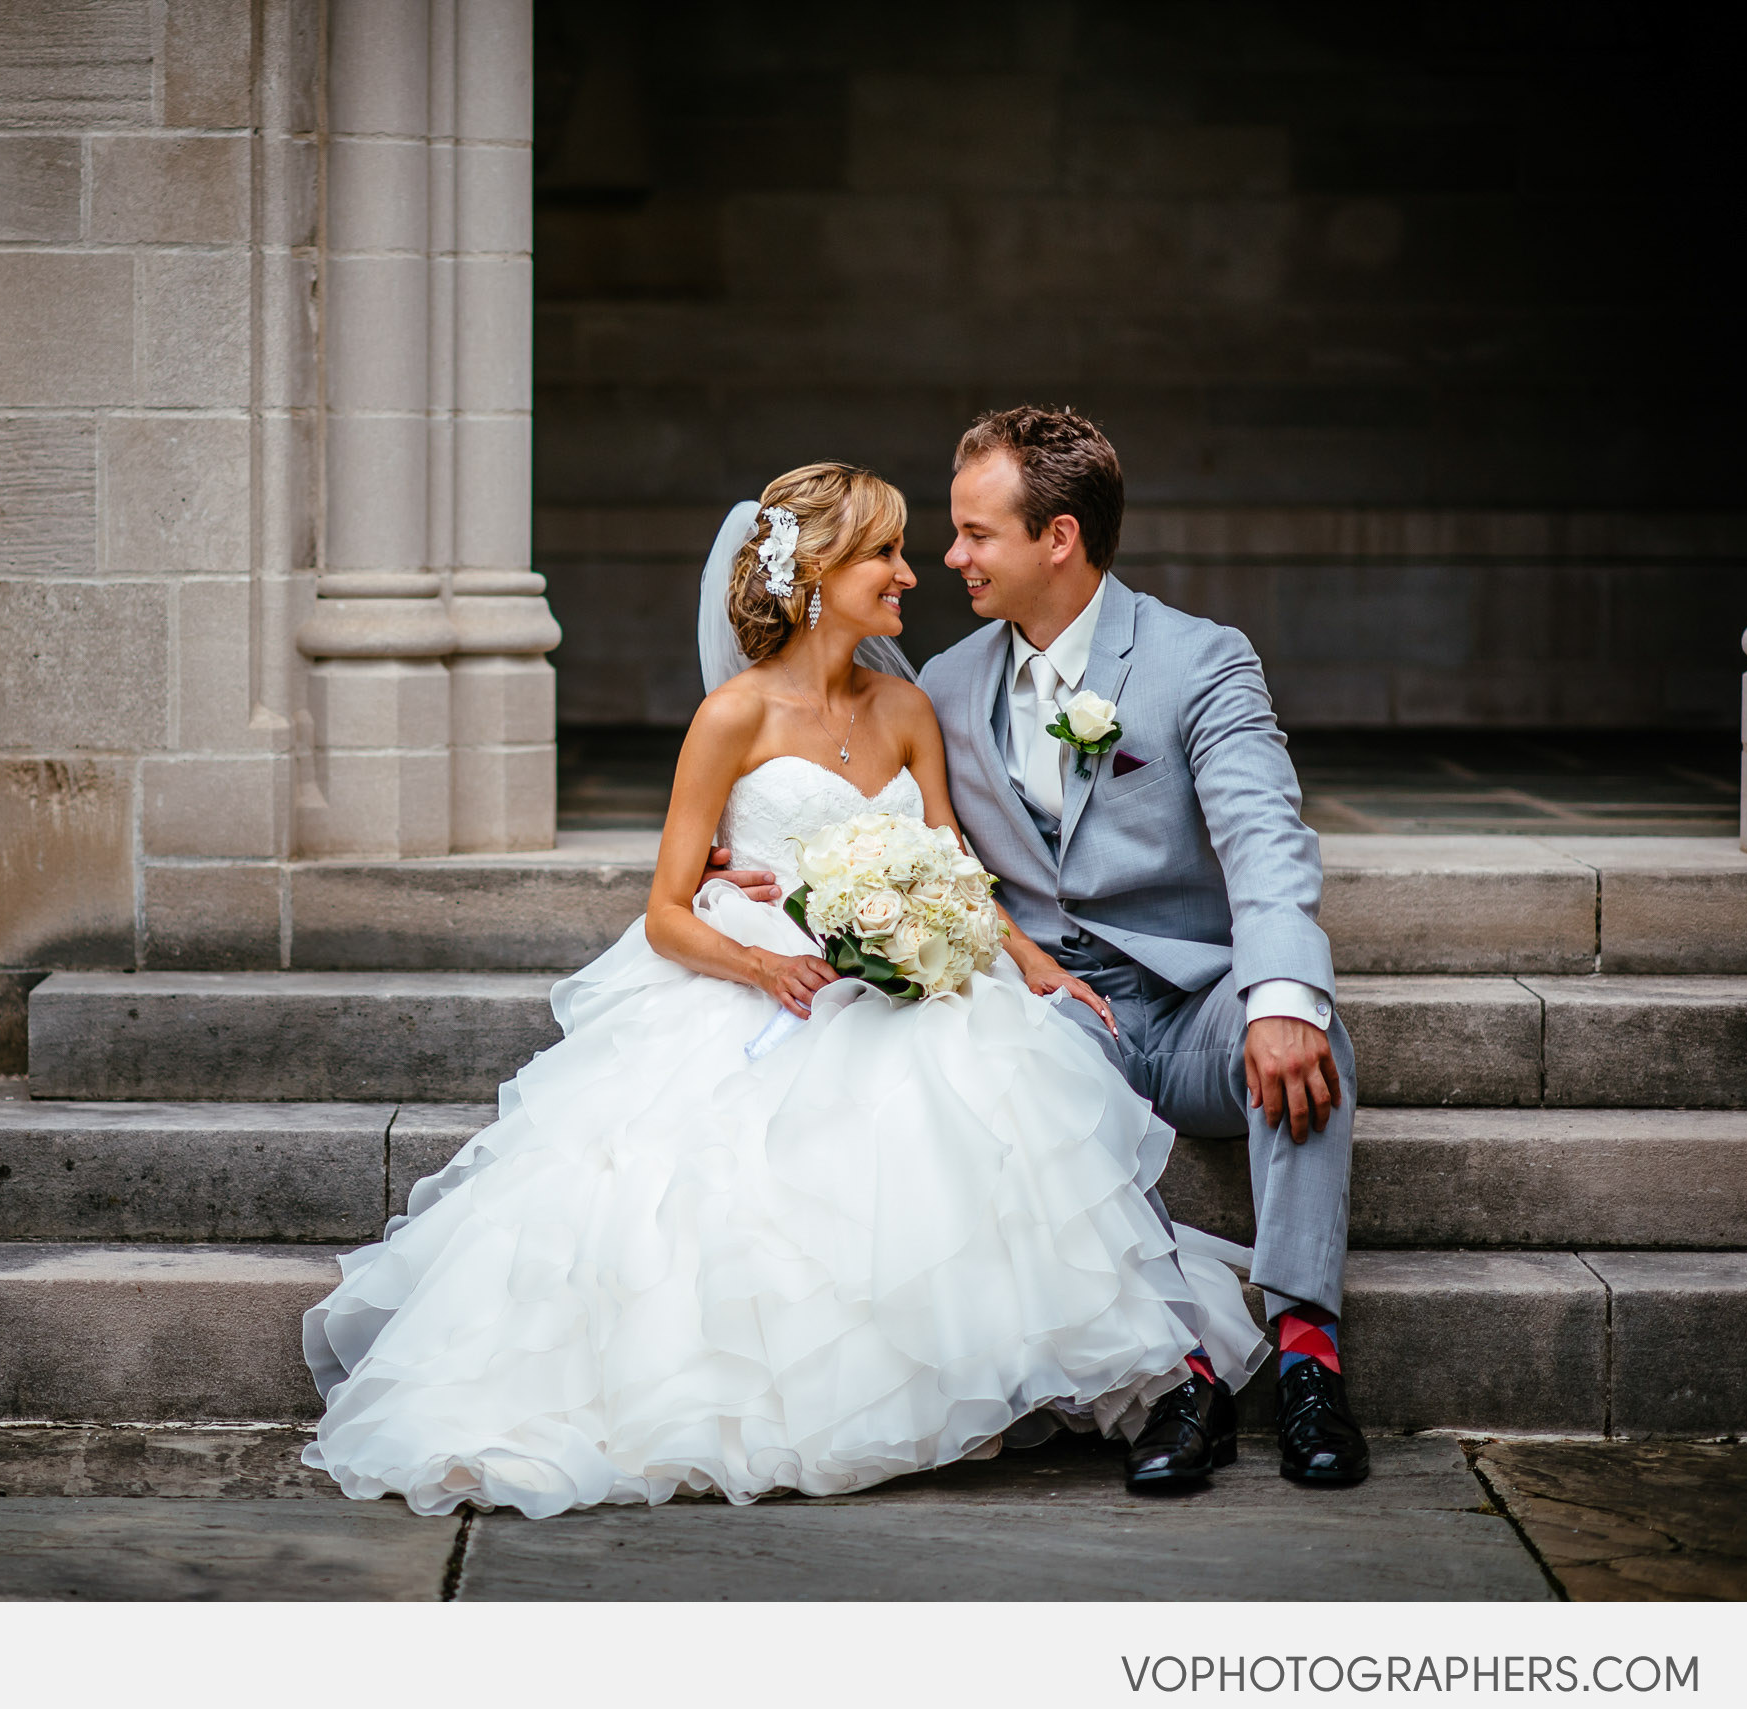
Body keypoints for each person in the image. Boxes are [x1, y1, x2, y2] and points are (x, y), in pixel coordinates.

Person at [301, 462, 1264, 1519]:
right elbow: (668, 909)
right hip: (766, 978)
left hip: (903, 975)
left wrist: (1029, 964)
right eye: (885, 554)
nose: (911, 573)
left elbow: (949, 863)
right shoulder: (732, 717)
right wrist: (765, 963)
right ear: (814, 573)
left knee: (989, 1084)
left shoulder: (904, 707)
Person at [713, 410, 1369, 1489]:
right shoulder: (949, 683)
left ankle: (1307, 1359)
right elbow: (888, 834)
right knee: (1024, 1062)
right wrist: (733, 870)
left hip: (1196, 1000)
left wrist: (1283, 995)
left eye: (975, 534)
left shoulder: (1200, 659)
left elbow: (1266, 840)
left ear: (1056, 538)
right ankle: (1178, 1371)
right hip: (1054, 1003)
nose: (950, 557)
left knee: (1310, 1030)